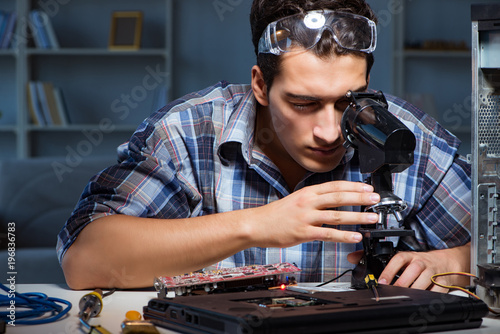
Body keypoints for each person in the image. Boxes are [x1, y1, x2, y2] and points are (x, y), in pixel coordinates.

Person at [58, 0, 472, 290]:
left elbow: (493, 244)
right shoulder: (188, 131)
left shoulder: (407, 134)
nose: (329, 132)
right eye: (303, 103)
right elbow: (84, 262)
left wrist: (452, 262)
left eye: (348, 101)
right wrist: (257, 225)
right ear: (260, 84)